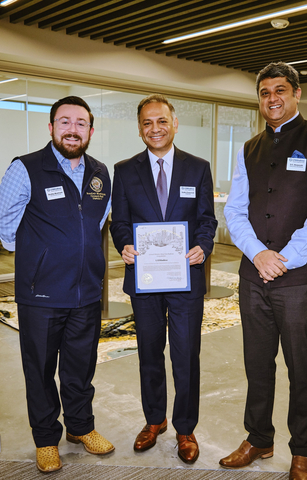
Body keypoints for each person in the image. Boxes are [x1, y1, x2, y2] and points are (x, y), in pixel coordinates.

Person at [221, 62, 307, 479]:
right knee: (257, 362)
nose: (271, 99)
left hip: (298, 277)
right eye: (264, 93)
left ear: (296, 94)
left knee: (299, 364)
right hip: (253, 275)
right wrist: (258, 254)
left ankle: (301, 450)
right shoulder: (248, 147)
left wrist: (282, 259)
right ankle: (258, 439)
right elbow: (234, 209)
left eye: (279, 90)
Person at [0, 96, 114, 473]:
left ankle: (80, 427)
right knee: (41, 369)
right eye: (64, 122)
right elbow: (4, 222)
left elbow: (96, 223)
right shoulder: (26, 168)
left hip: (86, 293)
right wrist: (40, 254)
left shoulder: (99, 172)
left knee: (81, 367)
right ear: (51, 128)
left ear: (90, 131)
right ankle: (46, 438)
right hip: (41, 295)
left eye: (80, 123)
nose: (72, 129)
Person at [110, 94, 217, 464]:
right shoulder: (123, 170)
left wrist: (203, 245)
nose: (154, 129)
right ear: (140, 128)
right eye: (147, 123)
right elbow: (119, 221)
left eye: (161, 121)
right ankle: (155, 420)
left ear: (174, 124)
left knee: (187, 355)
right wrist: (123, 243)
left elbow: (207, 219)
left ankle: (185, 428)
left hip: (185, 279)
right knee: (149, 354)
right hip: (145, 280)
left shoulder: (198, 168)